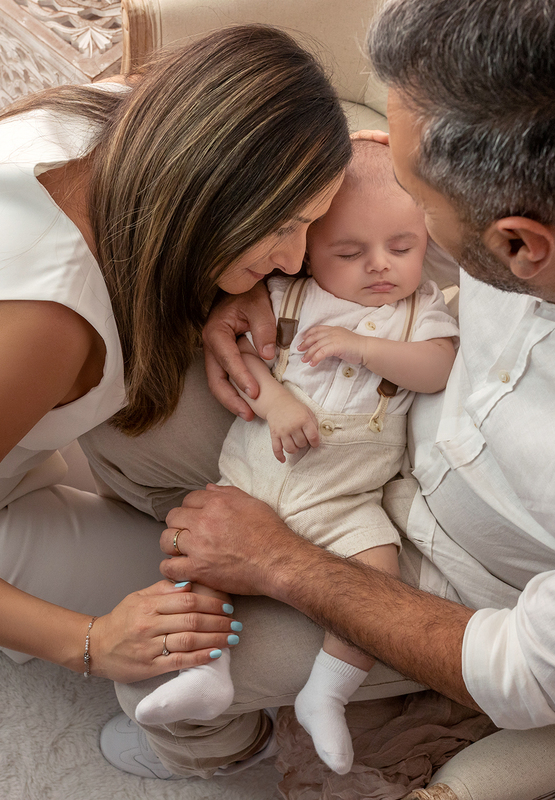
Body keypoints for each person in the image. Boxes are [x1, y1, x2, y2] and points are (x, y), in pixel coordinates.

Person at [88, 0, 555, 779]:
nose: (393, 181)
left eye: (417, 203)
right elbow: (371, 165)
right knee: (114, 398)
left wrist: (278, 562)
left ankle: (236, 749)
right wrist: (271, 269)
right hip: (359, 423)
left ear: (518, 246)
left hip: (448, 578)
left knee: (150, 671)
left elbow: (528, 675)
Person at [0, 25, 352, 715]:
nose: (294, 259)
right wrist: (92, 642)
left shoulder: (112, 115)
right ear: (210, 192)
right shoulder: (41, 324)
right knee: (244, 600)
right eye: (282, 226)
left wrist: (237, 281)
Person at [129, 141, 458, 775]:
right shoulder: (289, 296)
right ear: (310, 252)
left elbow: (437, 368)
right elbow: (244, 354)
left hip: (346, 496)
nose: (380, 266)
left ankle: (326, 693)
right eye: (349, 252)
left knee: (376, 574)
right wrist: (277, 400)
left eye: (402, 246)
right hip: (255, 476)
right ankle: (207, 672)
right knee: (191, 557)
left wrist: (362, 348)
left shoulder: (421, 312)